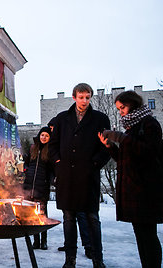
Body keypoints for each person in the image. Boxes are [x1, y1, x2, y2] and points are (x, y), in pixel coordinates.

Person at [98, 90, 163, 268]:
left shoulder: (149, 124)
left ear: (133, 105)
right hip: (134, 189)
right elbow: (124, 159)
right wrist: (110, 146)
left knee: (148, 235)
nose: (121, 112)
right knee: (140, 235)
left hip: (147, 190)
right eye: (119, 109)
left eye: (123, 107)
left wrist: (120, 137)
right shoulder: (132, 127)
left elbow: (149, 152)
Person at [48, 83, 111, 268]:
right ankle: (70, 260)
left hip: (88, 177)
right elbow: (53, 146)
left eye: (87, 97)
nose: (84, 101)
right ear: (74, 97)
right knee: (68, 219)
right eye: (81, 97)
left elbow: (105, 148)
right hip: (66, 177)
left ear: (90, 97)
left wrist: (94, 164)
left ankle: (98, 260)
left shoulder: (100, 119)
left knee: (92, 218)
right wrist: (58, 163)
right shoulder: (62, 118)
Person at [50, 117, 93, 259]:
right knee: (68, 218)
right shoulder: (53, 146)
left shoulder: (68, 141)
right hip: (64, 184)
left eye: (52, 129)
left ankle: (88, 246)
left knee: (82, 216)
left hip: (78, 183)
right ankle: (69, 246)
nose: (51, 131)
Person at [23, 126, 54, 250]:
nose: (44, 137)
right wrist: (25, 170)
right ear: (39, 136)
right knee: (32, 215)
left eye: (46, 136)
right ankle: (36, 241)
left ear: (49, 138)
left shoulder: (51, 150)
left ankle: (44, 241)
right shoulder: (33, 148)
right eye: (42, 135)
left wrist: (52, 180)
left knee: (42, 215)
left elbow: (52, 170)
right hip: (30, 184)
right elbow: (27, 163)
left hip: (42, 186)